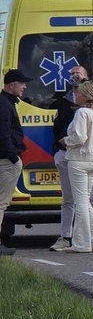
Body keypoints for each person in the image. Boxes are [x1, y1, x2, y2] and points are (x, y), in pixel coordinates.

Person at [50, 65, 93, 252]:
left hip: (78, 159)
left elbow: (79, 137)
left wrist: (65, 140)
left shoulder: (82, 112)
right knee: (84, 201)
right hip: (91, 159)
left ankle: (82, 243)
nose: (75, 96)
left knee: (82, 202)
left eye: (78, 93)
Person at [0, 69, 30, 256]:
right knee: (1, 203)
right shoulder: (4, 104)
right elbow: (3, 134)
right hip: (6, 160)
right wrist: (13, 157)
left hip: (6, 158)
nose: (24, 86)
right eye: (22, 83)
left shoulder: (6, 102)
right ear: (12, 85)